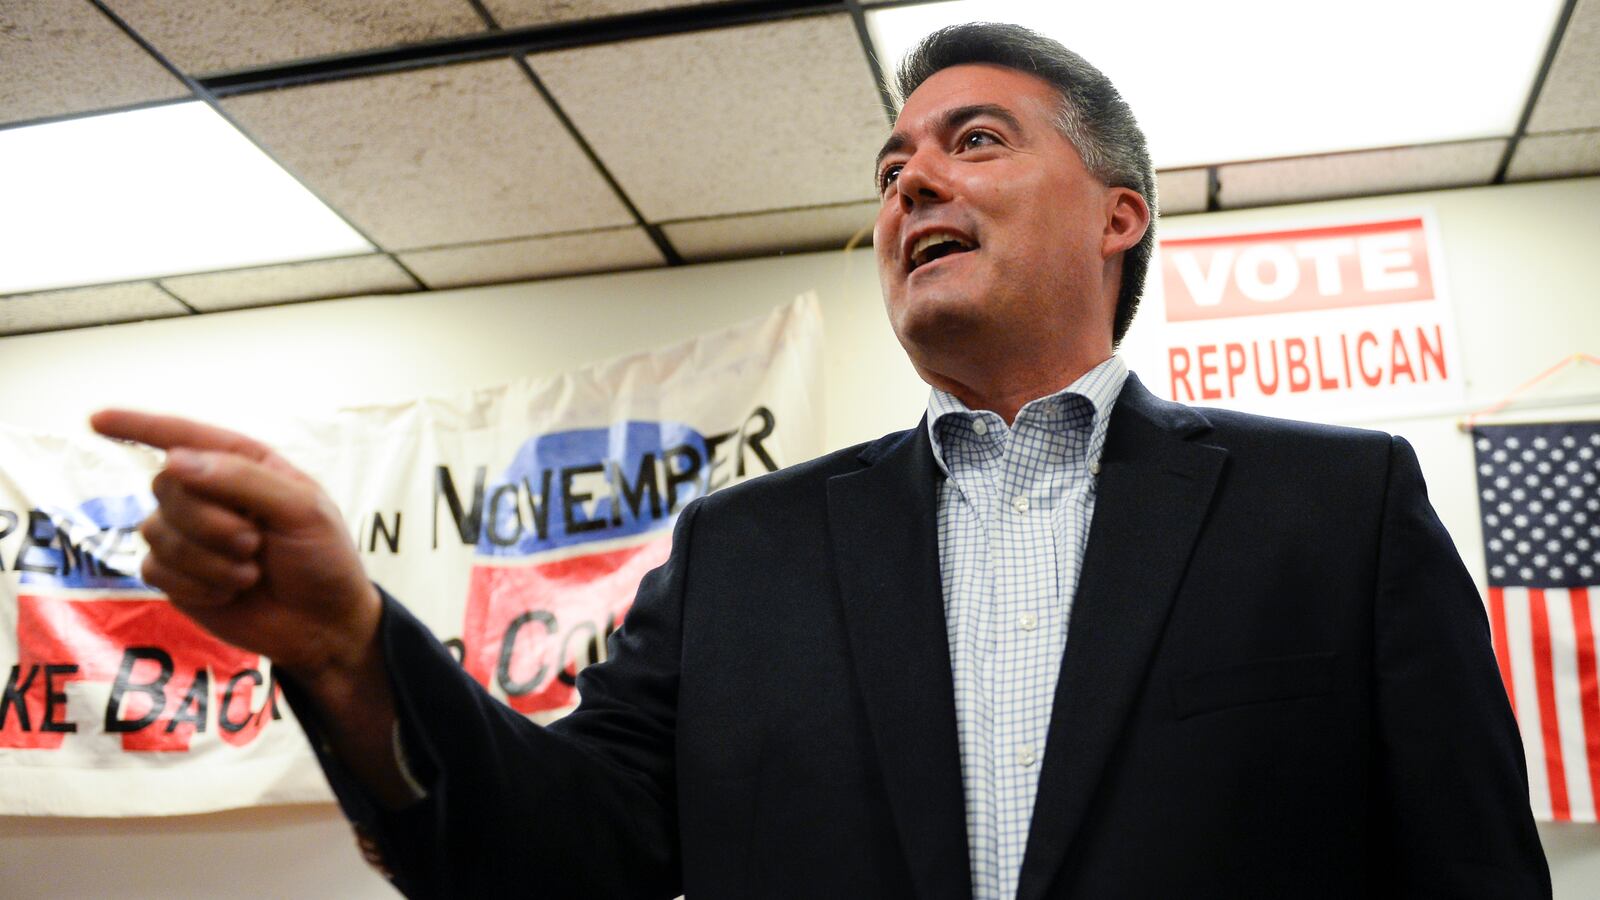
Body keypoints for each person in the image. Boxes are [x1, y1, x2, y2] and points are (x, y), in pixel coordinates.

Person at [91, 22, 1549, 899]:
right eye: (893, 168)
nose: (912, 180)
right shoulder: (743, 558)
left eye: (973, 142)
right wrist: (350, 646)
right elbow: (561, 862)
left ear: (1119, 217)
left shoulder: (1337, 514)